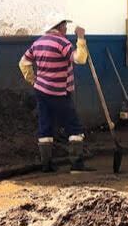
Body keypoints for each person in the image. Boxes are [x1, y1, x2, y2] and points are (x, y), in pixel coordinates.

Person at [19, 20, 90, 172]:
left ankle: (47, 165)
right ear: (58, 26)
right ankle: (76, 165)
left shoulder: (38, 43)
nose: (66, 28)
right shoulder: (62, 43)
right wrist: (81, 38)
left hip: (41, 91)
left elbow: (23, 62)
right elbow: (80, 59)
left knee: (45, 126)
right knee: (74, 127)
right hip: (60, 92)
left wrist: (33, 80)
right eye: (65, 25)